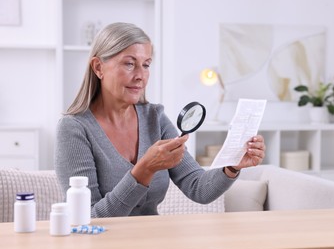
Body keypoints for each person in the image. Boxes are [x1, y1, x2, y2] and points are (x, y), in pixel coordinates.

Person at [54, 22, 266, 217]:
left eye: (146, 65)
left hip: (154, 242)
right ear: (98, 67)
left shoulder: (154, 118)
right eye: (129, 64)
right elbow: (88, 217)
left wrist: (231, 166)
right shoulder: (74, 128)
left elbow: (198, 188)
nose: (140, 75)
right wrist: (144, 170)